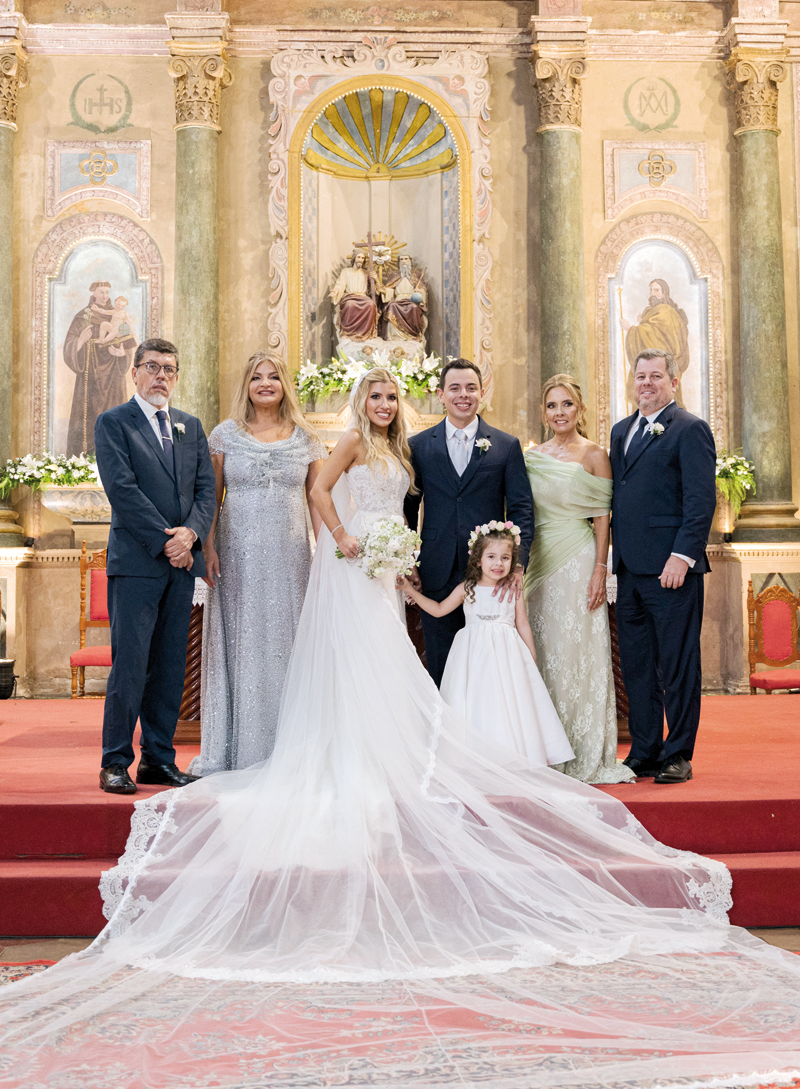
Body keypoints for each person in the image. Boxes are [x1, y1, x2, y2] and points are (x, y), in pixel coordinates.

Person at [2, 366, 800, 1089]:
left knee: (397, 669)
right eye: (378, 394)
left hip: (397, 574)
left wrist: (401, 553)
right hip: (359, 569)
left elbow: (440, 506)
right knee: (370, 668)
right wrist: (351, 540)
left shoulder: (428, 450)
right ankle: (326, 755)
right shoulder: (362, 441)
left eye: (392, 395)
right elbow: (322, 492)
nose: (386, 403)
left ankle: (562, 751)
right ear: (370, 400)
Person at [189, 352, 326, 774]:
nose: (265, 384)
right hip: (236, 558)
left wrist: (327, 554)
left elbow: (317, 500)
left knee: (290, 644)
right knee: (242, 644)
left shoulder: (306, 438)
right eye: (256, 377)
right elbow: (211, 497)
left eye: (273, 377)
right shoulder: (224, 435)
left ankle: (291, 749)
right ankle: (237, 750)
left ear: (285, 385)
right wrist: (208, 548)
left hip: (291, 558)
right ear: (246, 386)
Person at [93, 338, 217, 795]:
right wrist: (168, 542)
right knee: (130, 665)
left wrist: (191, 535)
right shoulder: (114, 423)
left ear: (177, 376)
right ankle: (115, 761)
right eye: (152, 367)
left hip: (181, 564)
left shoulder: (190, 425)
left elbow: (206, 490)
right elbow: (122, 490)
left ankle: (158, 759)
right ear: (135, 373)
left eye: (169, 368)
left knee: (168, 666)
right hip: (137, 563)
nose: (161, 375)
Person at [610, 348, 717, 785]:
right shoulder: (621, 431)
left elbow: (700, 499)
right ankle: (646, 750)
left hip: (672, 570)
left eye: (656, 376)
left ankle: (679, 754)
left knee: (677, 665)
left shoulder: (689, 428)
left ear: (673, 381)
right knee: (637, 667)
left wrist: (682, 555)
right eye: (641, 376)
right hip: (629, 570)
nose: (647, 384)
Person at [524, 374, 635, 785]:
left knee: (576, 651)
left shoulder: (594, 454)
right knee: (543, 652)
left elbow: (603, 516)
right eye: (552, 405)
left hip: (578, 557)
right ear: (543, 412)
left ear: (580, 409)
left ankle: (583, 749)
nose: (559, 412)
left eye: (567, 404)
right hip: (540, 560)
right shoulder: (532, 457)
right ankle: (545, 749)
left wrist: (600, 569)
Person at [404, 357, 534, 686]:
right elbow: (408, 509)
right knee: (441, 665)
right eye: (455, 388)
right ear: (441, 394)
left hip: (492, 573)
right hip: (437, 567)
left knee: (489, 669)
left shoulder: (506, 446)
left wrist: (517, 564)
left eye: (471, 388)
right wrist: (409, 562)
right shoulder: (418, 446)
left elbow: (521, 509)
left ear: (481, 393)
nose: (463, 394)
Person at [402, 523, 573, 767]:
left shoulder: (512, 589)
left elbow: (522, 624)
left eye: (505, 558)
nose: (498, 563)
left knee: (507, 702)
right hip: (473, 658)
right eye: (491, 556)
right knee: (478, 701)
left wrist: (531, 656)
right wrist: (410, 590)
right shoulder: (466, 588)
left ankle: (510, 756)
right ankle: (477, 757)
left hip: (507, 656)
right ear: (478, 560)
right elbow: (439, 610)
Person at [63, 279, 137, 457]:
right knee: (89, 416)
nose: (105, 296)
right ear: (93, 293)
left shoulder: (117, 314)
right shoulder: (82, 317)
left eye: (107, 292)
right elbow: (68, 346)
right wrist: (80, 340)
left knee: (114, 413)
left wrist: (123, 354)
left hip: (113, 375)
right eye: (101, 292)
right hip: (90, 376)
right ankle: (85, 458)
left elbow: (127, 339)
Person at [622, 277, 689, 409]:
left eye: (656, 290)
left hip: (662, 368)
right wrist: (642, 324)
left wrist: (631, 329)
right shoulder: (655, 311)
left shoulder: (665, 310)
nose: (652, 293)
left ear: (664, 293)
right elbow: (654, 333)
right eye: (651, 290)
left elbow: (658, 340)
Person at [330, 248, 379, 344]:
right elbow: (340, 284)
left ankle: (365, 334)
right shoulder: (346, 271)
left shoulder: (366, 273)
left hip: (363, 297)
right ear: (354, 258)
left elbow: (375, 289)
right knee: (350, 305)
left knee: (371, 304)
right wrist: (335, 291)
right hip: (350, 296)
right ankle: (348, 332)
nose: (360, 260)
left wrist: (376, 279)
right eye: (358, 257)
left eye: (362, 258)